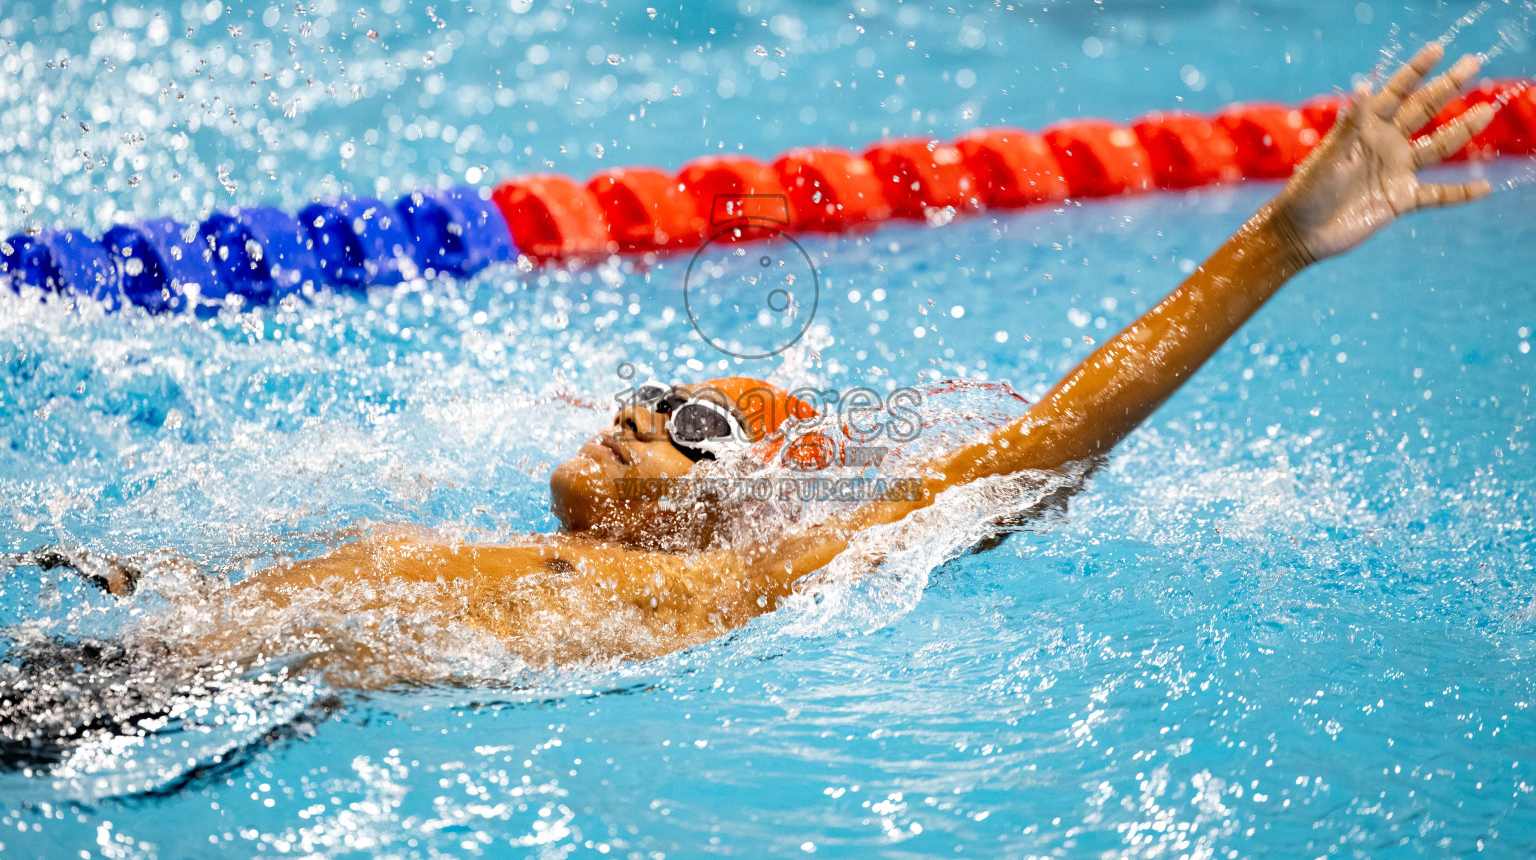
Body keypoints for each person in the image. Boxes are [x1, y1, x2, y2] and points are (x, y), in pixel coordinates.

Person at [10, 43, 1499, 686]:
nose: (637, 413)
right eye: (649, 393)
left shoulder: (750, 578)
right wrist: (158, 585)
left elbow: (1049, 447)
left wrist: (1276, 243)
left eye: (691, 418)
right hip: (154, 665)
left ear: (758, 493)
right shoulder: (488, 540)